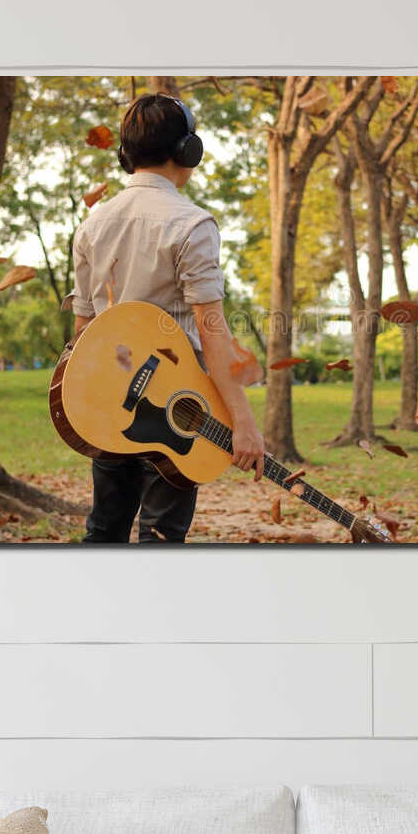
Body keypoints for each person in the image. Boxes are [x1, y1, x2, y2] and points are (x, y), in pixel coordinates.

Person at [69, 93, 264, 543]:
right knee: (162, 538)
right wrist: (244, 424)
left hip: (109, 401)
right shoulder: (193, 225)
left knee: (104, 531)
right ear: (187, 152)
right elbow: (213, 334)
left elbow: (83, 332)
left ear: (125, 156)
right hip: (181, 410)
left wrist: (91, 404)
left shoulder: (92, 226)